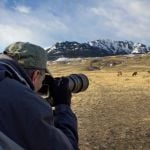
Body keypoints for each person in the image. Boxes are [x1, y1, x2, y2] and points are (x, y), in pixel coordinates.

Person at [0, 42, 78, 150]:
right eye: (43, 78)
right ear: (36, 75)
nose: (42, 84)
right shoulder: (25, 103)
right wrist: (63, 105)